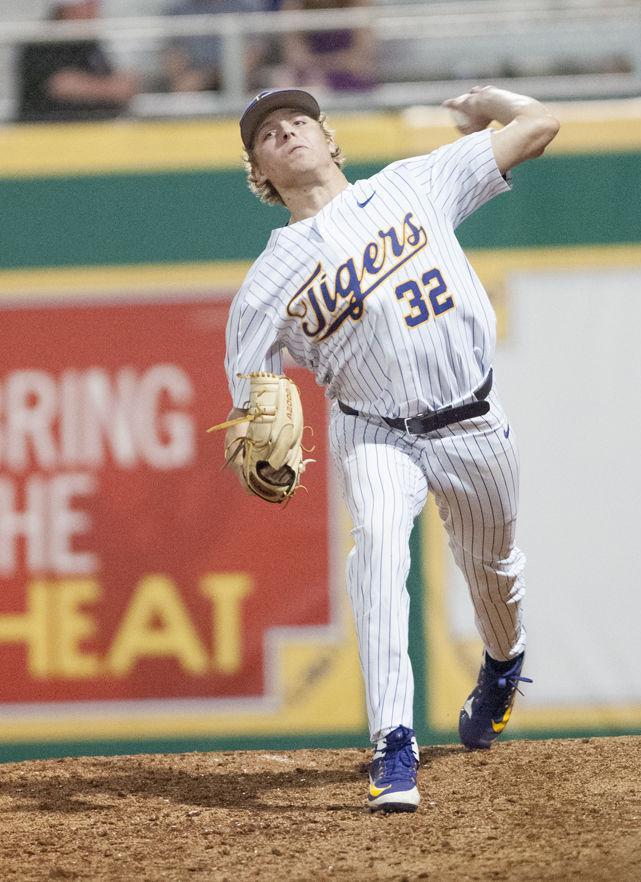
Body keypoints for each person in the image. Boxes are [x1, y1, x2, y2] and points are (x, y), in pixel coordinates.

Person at [223, 86, 559, 812]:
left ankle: (502, 664)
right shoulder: (265, 283)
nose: (286, 134)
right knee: (376, 549)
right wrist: (258, 429)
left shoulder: (414, 182)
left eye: (298, 121)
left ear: (327, 136)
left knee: (493, 570)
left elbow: (539, 125)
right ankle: (392, 743)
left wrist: (485, 101)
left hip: (472, 421)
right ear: (260, 173)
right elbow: (250, 388)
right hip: (373, 430)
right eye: (269, 135)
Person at [17, 0, 139, 123]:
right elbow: (60, 85)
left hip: (93, 129)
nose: (94, 10)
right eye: (87, 5)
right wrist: (109, 89)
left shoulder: (88, 42)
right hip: (50, 130)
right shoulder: (43, 42)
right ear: (66, 9)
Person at [162, 0, 270, 94]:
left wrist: (215, 77)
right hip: (197, 80)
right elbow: (174, 60)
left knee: (275, 81)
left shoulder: (247, 6)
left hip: (243, 78)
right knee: (184, 87)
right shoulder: (178, 10)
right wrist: (204, 79)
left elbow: (253, 56)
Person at [276, 0, 376, 92]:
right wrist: (318, 70)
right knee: (286, 81)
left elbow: (360, 59)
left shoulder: (358, 3)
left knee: (316, 83)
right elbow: (296, 57)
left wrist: (325, 65)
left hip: (350, 76)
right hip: (313, 76)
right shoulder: (295, 5)